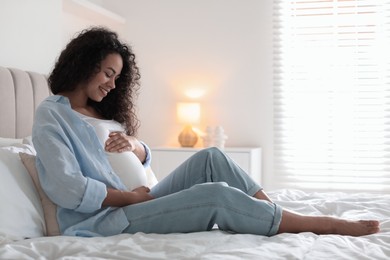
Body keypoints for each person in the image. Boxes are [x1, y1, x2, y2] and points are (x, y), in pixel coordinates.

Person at [32, 26, 380, 238]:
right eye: (108, 73)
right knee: (215, 195)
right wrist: (132, 198)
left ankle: (278, 216)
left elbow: (137, 156)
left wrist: (137, 146)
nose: (112, 84)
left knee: (212, 157)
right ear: (84, 63)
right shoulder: (52, 115)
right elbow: (66, 187)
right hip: (108, 219)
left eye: (116, 77)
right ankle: (319, 224)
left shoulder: (99, 111)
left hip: (142, 197)